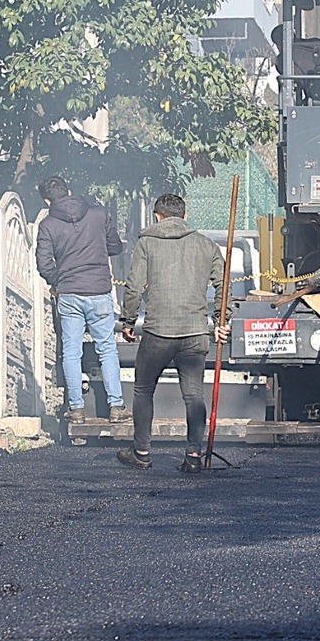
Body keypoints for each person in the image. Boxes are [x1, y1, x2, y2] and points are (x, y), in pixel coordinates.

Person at [116, 193, 227, 473]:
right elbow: (223, 287)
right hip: (195, 333)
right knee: (194, 394)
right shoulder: (206, 245)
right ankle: (193, 455)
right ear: (185, 216)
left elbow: (134, 286)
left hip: (158, 331)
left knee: (143, 390)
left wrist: (128, 320)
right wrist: (221, 320)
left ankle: (141, 452)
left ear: (157, 216)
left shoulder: (147, 243)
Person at [35, 176, 125, 420]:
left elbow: (44, 265)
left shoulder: (47, 225)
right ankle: (116, 406)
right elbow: (116, 248)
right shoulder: (99, 214)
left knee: (71, 352)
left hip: (69, 294)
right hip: (99, 291)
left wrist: (60, 280)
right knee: (107, 348)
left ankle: (76, 408)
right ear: (70, 191)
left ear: (47, 200)